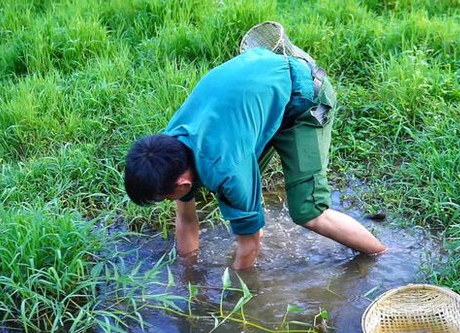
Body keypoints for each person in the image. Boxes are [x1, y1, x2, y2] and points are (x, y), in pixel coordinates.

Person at [124, 46, 386, 270]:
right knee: (242, 200)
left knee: (309, 212)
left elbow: (249, 248)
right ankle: (251, 220)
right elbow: (186, 219)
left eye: (166, 197)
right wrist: (189, 275)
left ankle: (381, 255)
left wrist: (234, 298)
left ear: (181, 184)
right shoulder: (170, 149)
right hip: (261, 93)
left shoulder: (226, 170)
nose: (171, 201)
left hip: (304, 97)